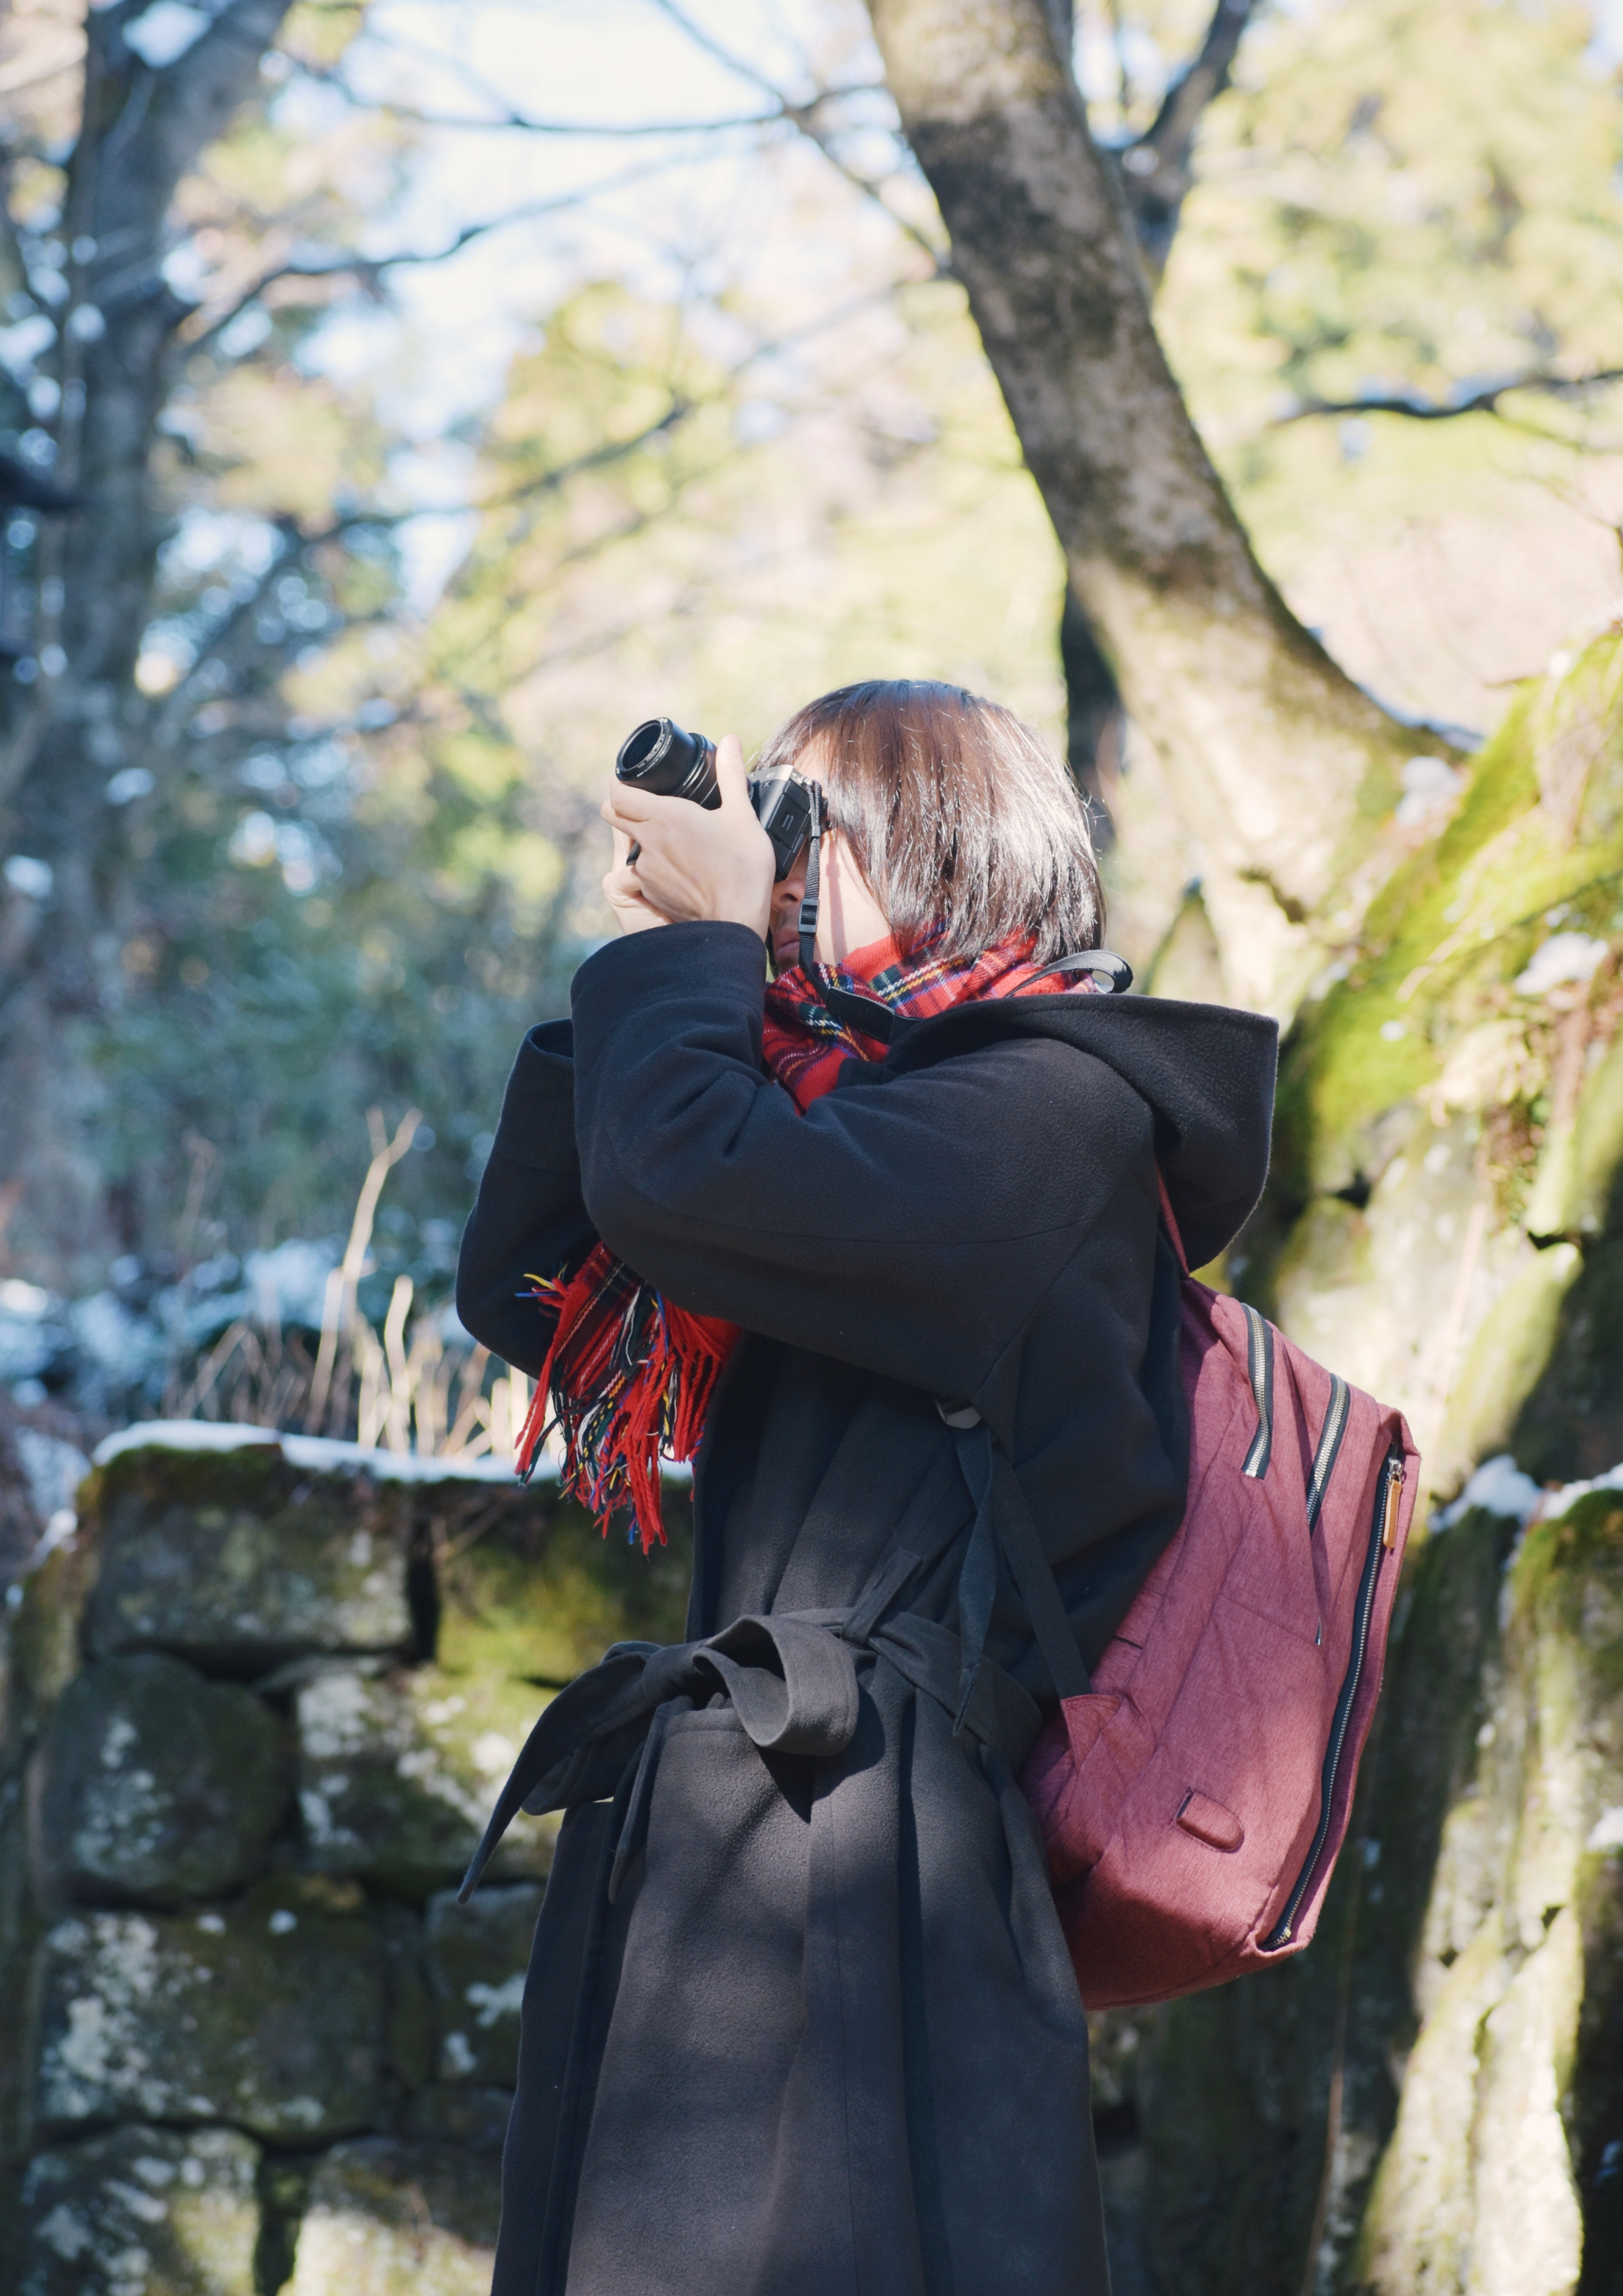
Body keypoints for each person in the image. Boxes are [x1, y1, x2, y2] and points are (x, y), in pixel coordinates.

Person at [455, 677, 1276, 2296]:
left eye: (790, 831)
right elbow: (537, 1282)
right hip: (754, 1815)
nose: (758, 877)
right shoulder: (847, 1114)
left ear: (929, 847)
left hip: (870, 1849)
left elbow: (687, 1183)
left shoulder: (1055, 1109)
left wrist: (690, 970)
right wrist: (649, 969)